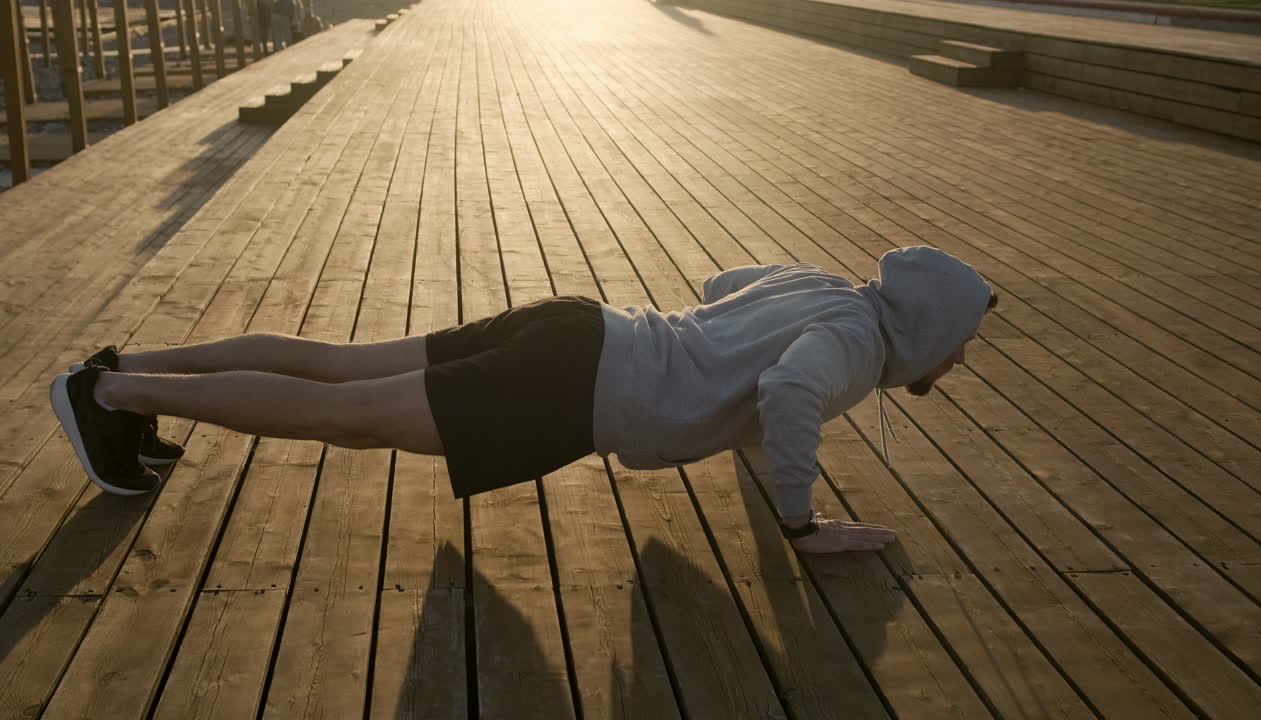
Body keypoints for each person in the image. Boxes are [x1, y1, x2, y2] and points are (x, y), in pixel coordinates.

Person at [49, 246, 994, 554]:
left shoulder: (833, 291)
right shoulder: (859, 344)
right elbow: (788, 390)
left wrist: (725, 374)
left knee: (338, 367)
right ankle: (113, 392)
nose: (956, 364)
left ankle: (128, 363)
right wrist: (802, 526)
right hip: (574, 384)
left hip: (586, 326)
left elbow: (722, 288)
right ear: (931, 330)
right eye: (960, 348)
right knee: (348, 419)